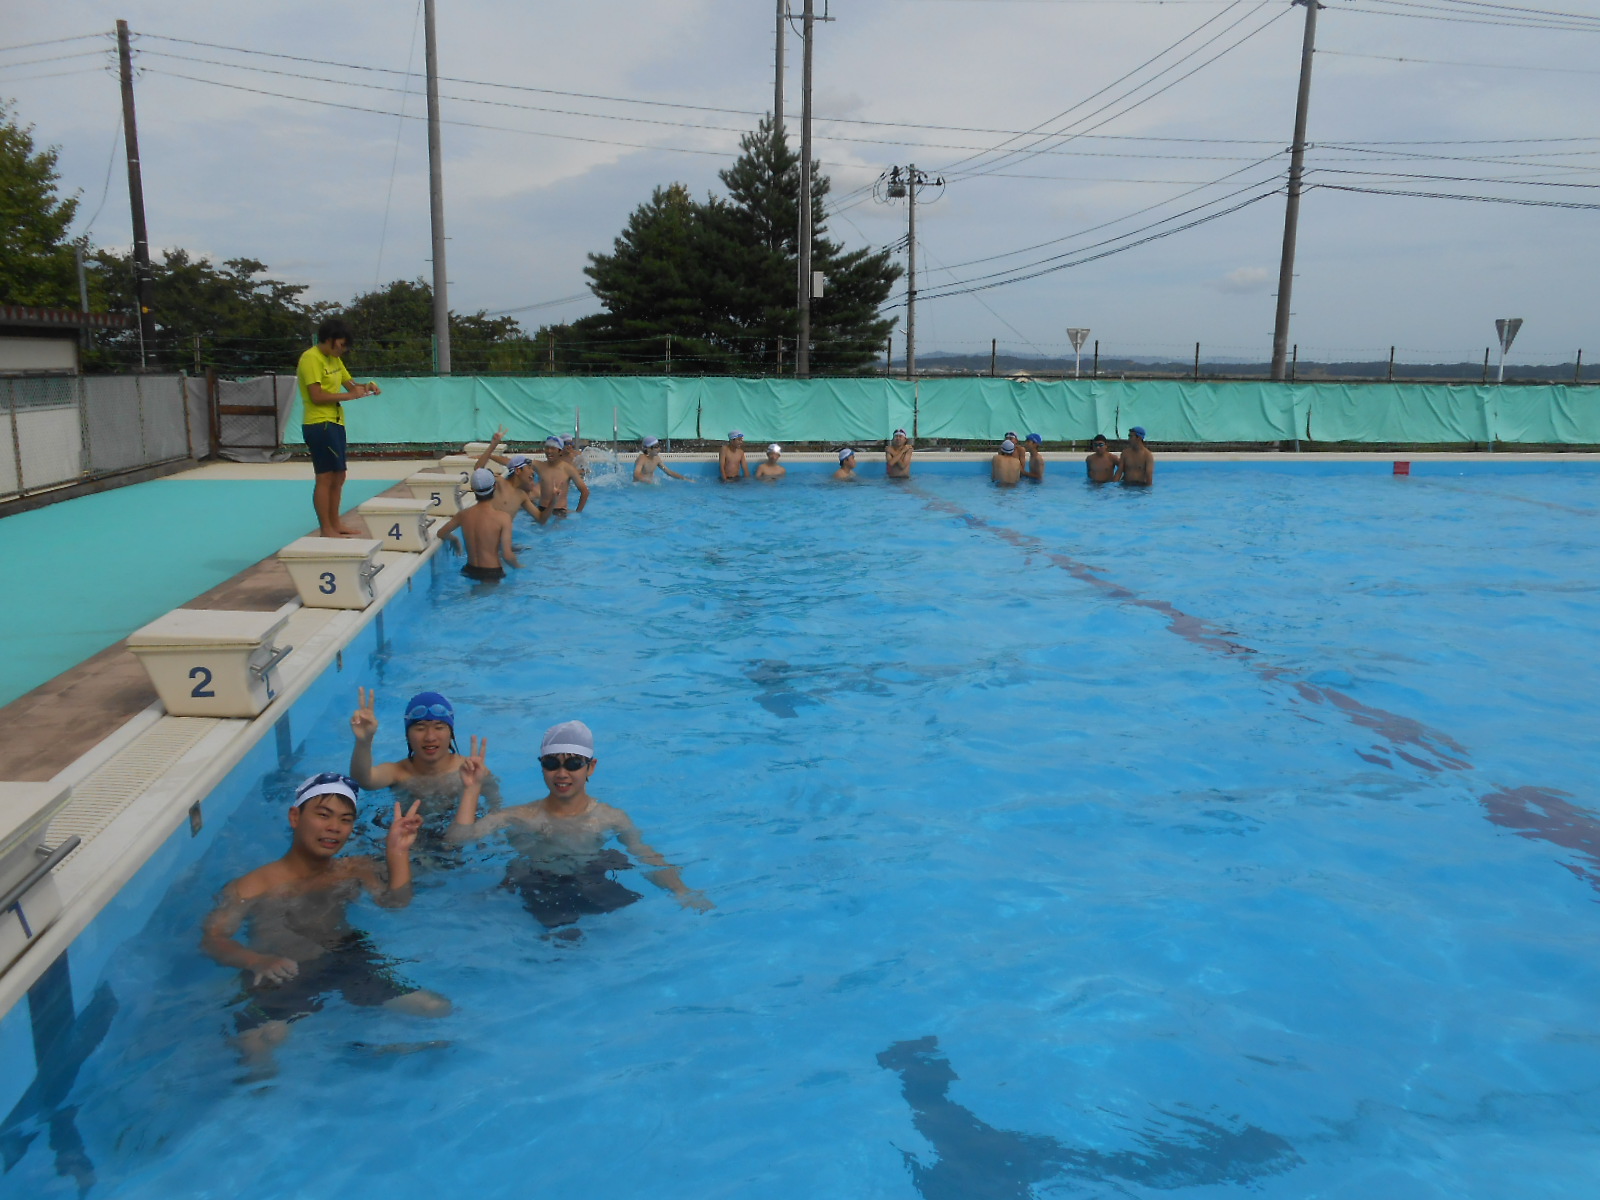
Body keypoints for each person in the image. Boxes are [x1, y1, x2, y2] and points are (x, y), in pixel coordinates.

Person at [200, 772, 449, 1076]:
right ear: (295, 816)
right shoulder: (252, 886)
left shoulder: (353, 869)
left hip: (346, 960)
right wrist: (256, 960)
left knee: (435, 1008)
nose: (334, 827)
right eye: (323, 815)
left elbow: (395, 903)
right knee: (260, 1046)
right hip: (284, 972)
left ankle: (356, 1052)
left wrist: (397, 852)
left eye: (345, 820)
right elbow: (212, 939)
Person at [447, 722, 713, 935]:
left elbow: (646, 855)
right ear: (541, 767)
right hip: (538, 881)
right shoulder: (520, 816)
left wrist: (681, 891)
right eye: (552, 764)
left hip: (591, 873)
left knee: (630, 928)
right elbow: (458, 840)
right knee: (561, 942)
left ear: (591, 767)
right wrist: (471, 790)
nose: (562, 773)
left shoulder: (609, 817)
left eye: (573, 764)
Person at [349, 687, 502, 819]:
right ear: (407, 735)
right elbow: (364, 781)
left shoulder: (473, 771)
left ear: (451, 733)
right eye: (420, 728)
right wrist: (364, 741)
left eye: (439, 727)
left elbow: (495, 809)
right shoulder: (398, 772)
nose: (430, 737)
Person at [297, 317, 382, 538]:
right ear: (331, 340)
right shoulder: (311, 358)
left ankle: (336, 523)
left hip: (335, 422)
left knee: (339, 475)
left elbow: (351, 385)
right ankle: (326, 528)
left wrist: (367, 386)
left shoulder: (335, 360)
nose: (343, 349)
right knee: (325, 477)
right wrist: (350, 395)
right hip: (319, 424)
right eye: (342, 344)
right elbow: (316, 396)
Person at [435, 469, 521, 580]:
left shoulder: (463, 515)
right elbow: (507, 555)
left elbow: (441, 533)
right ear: (494, 487)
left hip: (469, 570)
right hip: (491, 572)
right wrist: (519, 567)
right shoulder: (503, 518)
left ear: (472, 490)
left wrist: (454, 539)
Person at [471, 428, 545, 521]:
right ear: (518, 471)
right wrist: (493, 445)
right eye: (529, 468)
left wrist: (553, 500)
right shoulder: (499, 483)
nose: (532, 472)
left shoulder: (522, 495)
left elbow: (540, 518)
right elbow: (479, 471)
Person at [536, 436, 590, 516]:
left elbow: (585, 492)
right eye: (547, 448)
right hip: (541, 509)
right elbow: (513, 464)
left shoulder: (568, 469)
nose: (549, 451)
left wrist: (578, 512)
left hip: (559, 512)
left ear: (560, 451)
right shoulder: (539, 465)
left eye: (553, 448)